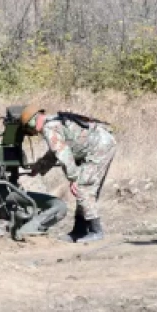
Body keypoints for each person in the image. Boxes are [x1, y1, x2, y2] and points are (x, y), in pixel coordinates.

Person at [20, 104, 117, 243]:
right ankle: (79, 230)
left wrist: (73, 178)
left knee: (83, 187)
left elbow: (64, 154)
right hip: (100, 145)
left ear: (31, 122)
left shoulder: (49, 128)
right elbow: (55, 152)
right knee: (82, 188)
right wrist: (39, 167)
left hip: (100, 148)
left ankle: (96, 231)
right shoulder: (52, 123)